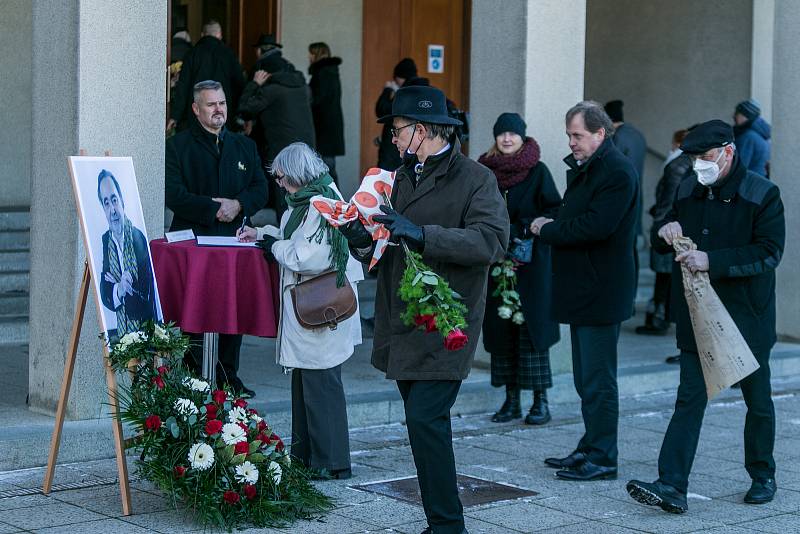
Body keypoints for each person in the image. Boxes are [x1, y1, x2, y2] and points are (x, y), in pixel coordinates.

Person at [339, 85, 509, 534]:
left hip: (446, 319)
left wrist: (421, 233)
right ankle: (442, 522)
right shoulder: (395, 177)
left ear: (421, 130)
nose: (392, 140)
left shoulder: (476, 178)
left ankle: (448, 525)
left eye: (397, 131)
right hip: (403, 320)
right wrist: (358, 238)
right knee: (422, 424)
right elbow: (382, 245)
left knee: (424, 419)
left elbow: (489, 242)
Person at [626, 120, 785, 514]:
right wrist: (667, 231)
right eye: (694, 158)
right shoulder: (689, 189)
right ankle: (671, 485)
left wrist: (711, 260)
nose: (700, 165)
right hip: (698, 314)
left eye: (706, 157)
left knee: (758, 401)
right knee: (689, 399)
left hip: (746, 317)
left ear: (728, 152)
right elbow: (666, 231)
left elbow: (769, 253)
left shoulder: (762, 193)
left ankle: (763, 474)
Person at [237, 142, 362, 480]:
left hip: (322, 305)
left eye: (280, 177)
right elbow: (295, 238)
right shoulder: (304, 199)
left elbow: (308, 256)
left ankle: (331, 462)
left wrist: (272, 247)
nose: (278, 184)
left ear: (295, 174)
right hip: (313, 303)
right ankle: (308, 458)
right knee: (307, 384)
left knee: (322, 384)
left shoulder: (322, 201)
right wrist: (263, 233)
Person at [530, 101, 639, 482]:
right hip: (584, 287)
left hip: (601, 289)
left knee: (597, 379)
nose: (572, 142)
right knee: (584, 378)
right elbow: (575, 214)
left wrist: (549, 229)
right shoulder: (590, 167)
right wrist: (555, 220)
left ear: (600, 133)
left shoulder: (616, 171)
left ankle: (603, 456)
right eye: (569, 135)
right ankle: (591, 445)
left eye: (577, 135)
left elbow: (596, 226)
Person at [165, 80, 268, 396]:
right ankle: (193, 375)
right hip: (195, 243)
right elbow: (174, 194)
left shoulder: (244, 146)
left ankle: (228, 376)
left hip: (233, 243)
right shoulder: (178, 146)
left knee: (231, 307)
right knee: (194, 308)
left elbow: (260, 188)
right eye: (211, 104)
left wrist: (238, 205)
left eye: (222, 103)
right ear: (196, 110)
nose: (218, 110)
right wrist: (213, 209)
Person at [477, 113, 561, 426]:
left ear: (523, 137)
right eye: (502, 134)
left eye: (513, 133)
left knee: (531, 334)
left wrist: (528, 227)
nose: (507, 138)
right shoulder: (484, 171)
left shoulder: (538, 171)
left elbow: (554, 208)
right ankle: (510, 401)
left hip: (531, 267)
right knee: (503, 333)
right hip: (496, 264)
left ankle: (541, 401)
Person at [239, 51, 316, 218]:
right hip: (306, 148)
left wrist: (255, 84)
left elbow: (245, 108)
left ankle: (285, 232)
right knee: (304, 191)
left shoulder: (271, 90)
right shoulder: (302, 87)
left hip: (283, 150)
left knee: (284, 191)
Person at [636, 128, 693, 338]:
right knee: (666, 278)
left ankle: (658, 319)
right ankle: (660, 317)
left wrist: (659, 227)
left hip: (668, 230)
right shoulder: (684, 164)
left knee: (664, 278)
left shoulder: (677, 165)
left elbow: (667, 201)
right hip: (672, 227)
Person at [97, 169, 158, 336]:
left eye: (114, 200)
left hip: (144, 331)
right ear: (103, 208)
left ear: (122, 201)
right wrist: (120, 288)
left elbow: (147, 298)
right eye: (106, 203)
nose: (112, 210)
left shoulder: (138, 238)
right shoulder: (105, 241)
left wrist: (122, 288)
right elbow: (105, 292)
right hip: (121, 331)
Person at [167, 20, 245, 132]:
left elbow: (183, 87)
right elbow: (239, 85)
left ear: (202, 35)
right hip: (222, 116)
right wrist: (241, 115)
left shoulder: (192, 54)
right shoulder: (229, 54)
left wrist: (175, 116)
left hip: (196, 115)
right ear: (220, 35)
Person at [307, 42, 345, 184]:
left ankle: (334, 201)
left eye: (311, 53)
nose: (308, 56)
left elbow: (317, 100)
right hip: (330, 126)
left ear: (316, 54)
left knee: (326, 169)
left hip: (323, 127)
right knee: (327, 167)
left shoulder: (322, 73)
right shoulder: (330, 72)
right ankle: (334, 201)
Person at [375, 58, 418, 170]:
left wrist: (388, 90)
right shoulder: (420, 89)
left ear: (400, 76)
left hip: (394, 152)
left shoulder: (404, 93)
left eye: (395, 78)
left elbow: (381, 110)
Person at [733, 98, 771, 177]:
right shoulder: (761, 135)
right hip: (760, 182)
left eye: (737, 113)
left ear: (746, 116)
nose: (734, 116)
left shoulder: (748, 136)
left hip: (750, 184)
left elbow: (739, 166)